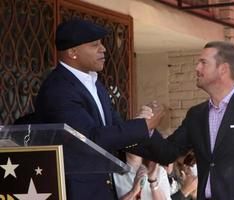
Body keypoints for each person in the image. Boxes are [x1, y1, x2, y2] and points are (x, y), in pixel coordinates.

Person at [139, 41, 234, 199]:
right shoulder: (196, 115)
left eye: (203, 62)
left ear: (223, 69)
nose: (197, 68)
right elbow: (167, 153)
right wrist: (141, 129)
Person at [35, 19, 164, 200]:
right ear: (73, 52)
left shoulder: (96, 85)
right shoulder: (58, 89)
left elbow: (115, 128)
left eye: (101, 43)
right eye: (95, 44)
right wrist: (143, 126)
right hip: (75, 191)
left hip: (101, 188)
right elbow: (90, 138)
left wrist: (149, 130)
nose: (103, 49)